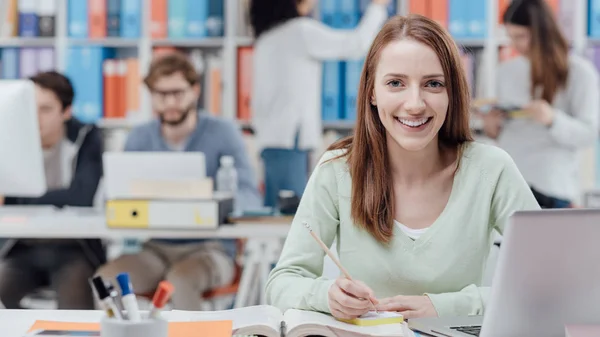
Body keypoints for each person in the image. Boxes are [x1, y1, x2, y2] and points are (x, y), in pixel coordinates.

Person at [265, 15, 541, 320]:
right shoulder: (337, 171)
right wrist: (326, 296)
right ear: (372, 92)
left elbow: (547, 281)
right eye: (395, 83)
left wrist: (444, 306)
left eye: (433, 84)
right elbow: (282, 282)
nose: (414, 104)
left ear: (452, 94)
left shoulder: (491, 169)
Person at [95, 52, 262, 310]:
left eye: (178, 93)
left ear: (195, 91)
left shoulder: (223, 132)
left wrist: (213, 200)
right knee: (104, 282)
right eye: (161, 95)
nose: (170, 102)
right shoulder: (139, 138)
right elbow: (115, 194)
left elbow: (250, 195)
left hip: (211, 248)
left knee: (180, 280)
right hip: (156, 247)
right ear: (151, 96)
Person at [250, 0, 391, 208]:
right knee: (294, 219)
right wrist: (377, 7)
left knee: (277, 220)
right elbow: (355, 45)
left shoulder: (265, 39)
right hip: (290, 142)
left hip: (271, 142)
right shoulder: (300, 32)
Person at [0, 71, 105, 309]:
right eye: (31, 108)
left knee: (75, 305)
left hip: (72, 249)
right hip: (22, 248)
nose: (35, 118)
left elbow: (81, 197)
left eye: (46, 109)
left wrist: (24, 198)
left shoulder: (87, 137)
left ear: (66, 112)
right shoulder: (11, 138)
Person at [480, 0, 599, 208]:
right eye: (510, 37)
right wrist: (492, 128)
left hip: (552, 186)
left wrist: (552, 119)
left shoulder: (580, 73)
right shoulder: (505, 71)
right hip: (511, 184)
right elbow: (504, 134)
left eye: (521, 37)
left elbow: (588, 134)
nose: (515, 45)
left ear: (543, 33)